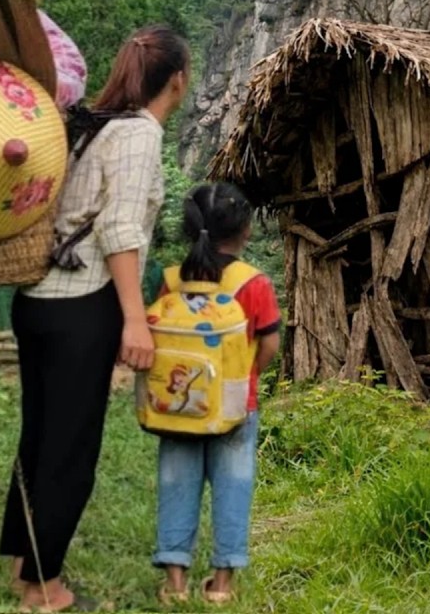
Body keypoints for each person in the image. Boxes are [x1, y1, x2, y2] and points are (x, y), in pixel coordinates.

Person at [0, 24, 189, 613]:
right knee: (71, 450)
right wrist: (134, 320)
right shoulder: (138, 134)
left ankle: (22, 564)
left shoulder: (88, 127)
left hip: (36, 300)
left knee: (40, 437)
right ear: (177, 81)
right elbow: (119, 229)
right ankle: (44, 589)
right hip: (83, 305)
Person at [153, 183, 281, 604]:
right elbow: (269, 344)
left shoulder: (172, 281)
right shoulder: (254, 283)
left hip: (178, 406)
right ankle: (222, 586)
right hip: (235, 404)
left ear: (191, 228)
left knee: (176, 486)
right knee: (233, 489)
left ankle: (175, 584)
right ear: (246, 230)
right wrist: (247, 375)